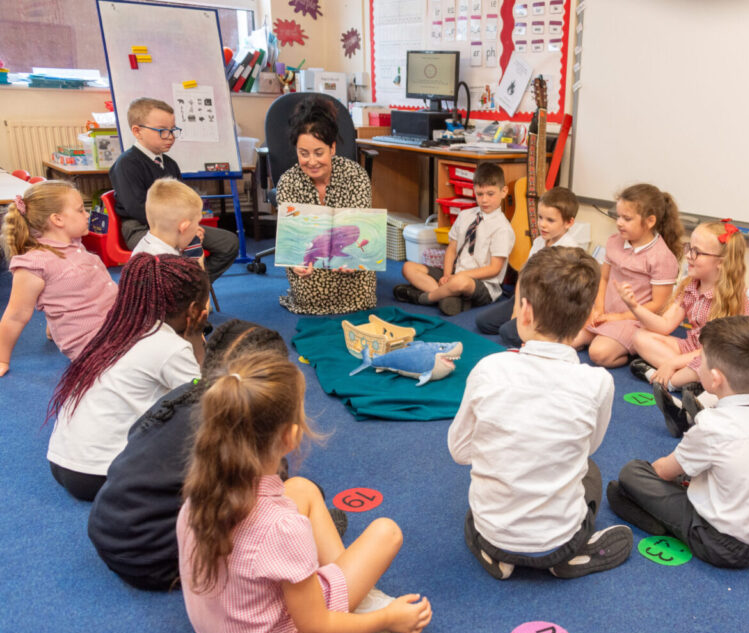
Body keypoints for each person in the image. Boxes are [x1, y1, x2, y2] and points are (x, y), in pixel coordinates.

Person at [178, 352, 432, 633]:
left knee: (302, 488)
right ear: (290, 436)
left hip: (221, 631)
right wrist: (387, 620)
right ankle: (362, 607)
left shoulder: (199, 496)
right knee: (386, 532)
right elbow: (315, 628)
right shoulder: (283, 528)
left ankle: (354, 596)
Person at [450, 246, 633, 580]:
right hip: (559, 542)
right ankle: (564, 557)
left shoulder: (489, 368)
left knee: (476, 505)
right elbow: (588, 448)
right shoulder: (598, 381)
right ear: (584, 319)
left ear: (526, 311)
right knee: (589, 471)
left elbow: (460, 452)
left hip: (492, 533)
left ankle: (495, 553)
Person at [88, 320, 288, 591]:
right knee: (291, 497)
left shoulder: (182, 393)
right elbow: (257, 491)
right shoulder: (233, 423)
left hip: (105, 530)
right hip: (155, 560)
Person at [606, 316, 749, 569]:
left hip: (725, 545)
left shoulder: (712, 424)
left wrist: (656, 474)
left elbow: (663, 472)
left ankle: (662, 523)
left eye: (701, 361)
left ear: (715, 378)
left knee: (630, 475)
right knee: (706, 471)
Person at [45, 254, 209, 501]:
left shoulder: (117, 328)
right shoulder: (169, 346)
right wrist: (196, 337)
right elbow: (203, 398)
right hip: (103, 474)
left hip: (61, 462)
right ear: (195, 311)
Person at [626, 219, 749, 436]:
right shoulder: (690, 285)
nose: (689, 256)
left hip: (716, 357)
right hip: (690, 347)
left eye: (697, 252)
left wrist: (673, 363)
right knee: (639, 337)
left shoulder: (732, 298)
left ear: (720, 262)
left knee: (695, 372)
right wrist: (635, 307)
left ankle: (667, 381)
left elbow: (712, 351)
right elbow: (665, 326)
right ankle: (685, 383)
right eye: (689, 249)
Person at [108, 97, 238, 282]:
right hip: (142, 228)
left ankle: (192, 286)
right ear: (137, 131)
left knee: (229, 242)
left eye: (173, 130)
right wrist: (180, 230)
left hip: (179, 225)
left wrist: (191, 225)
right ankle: (183, 289)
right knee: (178, 252)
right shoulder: (126, 164)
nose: (170, 136)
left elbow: (182, 201)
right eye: (162, 131)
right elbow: (136, 208)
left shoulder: (169, 164)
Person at [0, 180, 117, 374]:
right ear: (57, 220)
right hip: (93, 343)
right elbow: (15, 316)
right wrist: (2, 360)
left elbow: (66, 288)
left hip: (114, 322)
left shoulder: (73, 245)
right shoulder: (34, 264)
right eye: (81, 210)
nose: (87, 214)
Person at [275, 95, 377, 315]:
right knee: (311, 293)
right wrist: (294, 264)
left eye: (318, 152)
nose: (311, 161)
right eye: (303, 154)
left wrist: (355, 259)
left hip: (352, 277)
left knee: (358, 286)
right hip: (311, 276)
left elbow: (361, 231)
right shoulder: (288, 182)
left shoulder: (355, 176)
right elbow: (291, 243)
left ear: (332, 148)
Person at [572, 183, 685, 368]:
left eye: (627, 218)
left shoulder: (662, 257)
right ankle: (606, 337)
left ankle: (633, 353)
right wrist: (598, 308)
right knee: (565, 339)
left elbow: (658, 305)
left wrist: (617, 318)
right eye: (618, 216)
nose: (619, 222)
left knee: (598, 353)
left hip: (634, 321)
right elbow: (604, 278)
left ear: (650, 221)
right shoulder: (614, 242)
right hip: (606, 313)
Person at [394, 162, 514, 316]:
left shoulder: (503, 228)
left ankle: (426, 298)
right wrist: (446, 275)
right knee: (408, 267)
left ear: (504, 191)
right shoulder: (465, 215)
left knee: (460, 283)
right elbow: (451, 248)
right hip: (454, 274)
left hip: (482, 284)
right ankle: (447, 295)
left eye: (490, 194)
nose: (484, 200)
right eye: (479, 194)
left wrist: (458, 276)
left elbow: (494, 269)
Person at [475, 186, 580, 346]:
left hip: (547, 308)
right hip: (527, 299)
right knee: (483, 322)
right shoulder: (538, 242)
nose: (542, 225)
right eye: (540, 218)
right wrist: (517, 307)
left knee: (507, 332)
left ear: (569, 222)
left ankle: (545, 337)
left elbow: (561, 297)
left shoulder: (570, 249)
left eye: (550, 220)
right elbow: (524, 276)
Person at [130, 178, 204, 260]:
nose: (198, 228)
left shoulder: (147, 247)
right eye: (197, 222)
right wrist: (199, 259)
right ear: (184, 227)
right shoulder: (167, 263)